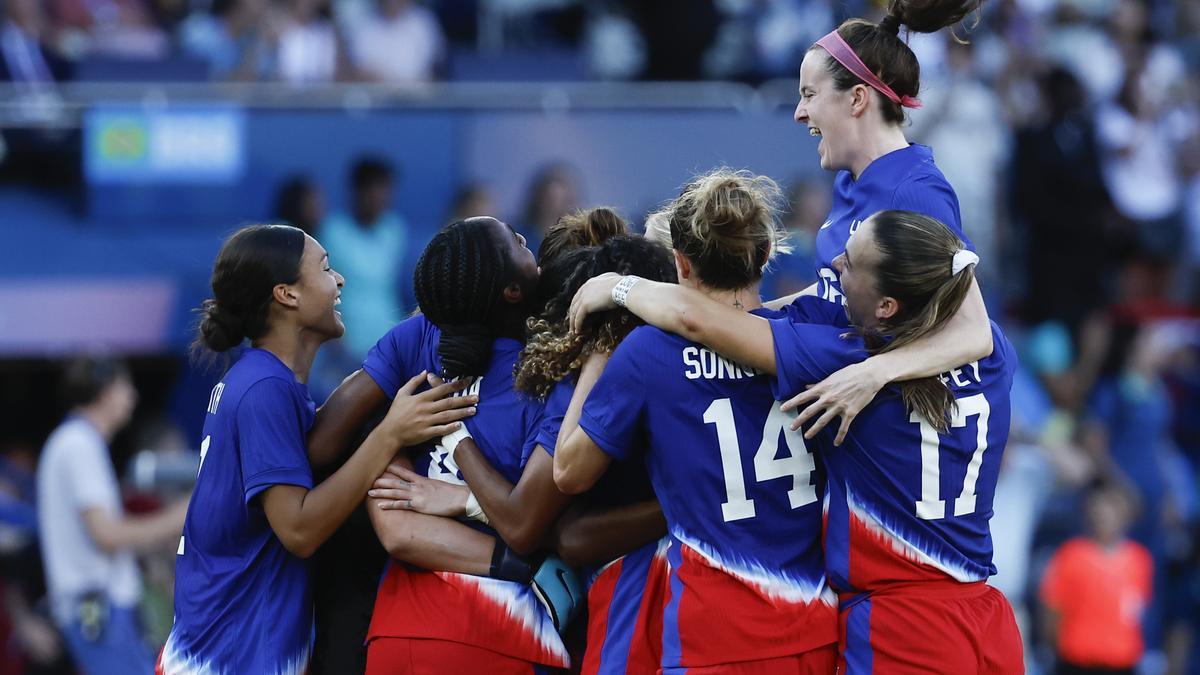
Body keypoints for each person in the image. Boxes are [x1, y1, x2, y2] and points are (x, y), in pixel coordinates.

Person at [565, 208, 1022, 673]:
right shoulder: (993, 350)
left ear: (887, 306)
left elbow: (695, 321)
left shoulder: (839, 357)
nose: (835, 265)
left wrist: (618, 288)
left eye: (852, 262)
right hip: (987, 617)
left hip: (903, 624)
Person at [555, 170, 839, 673]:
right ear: (767, 253)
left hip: (713, 636)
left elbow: (568, 471)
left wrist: (602, 348)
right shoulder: (811, 336)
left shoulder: (648, 353)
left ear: (680, 264)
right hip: (814, 631)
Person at [159, 224, 475, 674]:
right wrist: (390, 434)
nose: (340, 280)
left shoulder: (267, 383)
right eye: (326, 268)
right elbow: (300, 530)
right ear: (286, 295)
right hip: (231, 659)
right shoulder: (264, 389)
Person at [374, 227, 679, 675]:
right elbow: (545, 530)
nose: (522, 235)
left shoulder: (417, 353)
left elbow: (387, 512)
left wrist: (427, 449)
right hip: (508, 637)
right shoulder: (553, 388)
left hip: (398, 629)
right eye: (514, 243)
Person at [779, 0, 994, 444]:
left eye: (809, 94)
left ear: (858, 98)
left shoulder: (915, 192)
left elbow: (974, 332)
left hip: (905, 439)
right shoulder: (849, 180)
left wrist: (873, 373)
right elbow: (830, 292)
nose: (799, 113)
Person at [36, 357, 187, 675]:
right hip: (98, 608)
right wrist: (179, 515)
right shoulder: (78, 443)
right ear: (104, 391)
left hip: (100, 608)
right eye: (125, 386)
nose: (132, 396)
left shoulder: (77, 441)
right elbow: (106, 534)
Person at [1040, 483, 1152, 675]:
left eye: (1112, 508)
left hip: (1122, 663)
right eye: (1099, 508)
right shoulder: (1070, 555)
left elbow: (1135, 611)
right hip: (1077, 662)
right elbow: (1052, 612)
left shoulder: (1140, 559)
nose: (1104, 515)